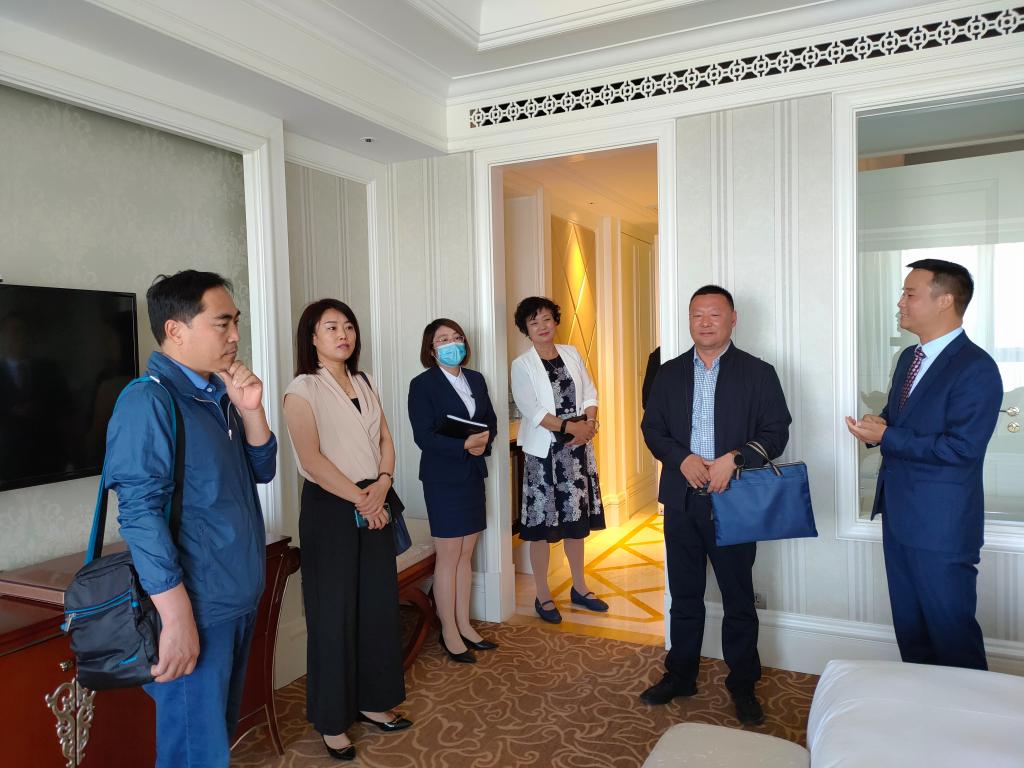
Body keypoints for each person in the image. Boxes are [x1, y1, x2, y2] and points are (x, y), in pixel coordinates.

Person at [105, 270, 278, 767]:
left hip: (234, 594)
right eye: (222, 323)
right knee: (193, 753)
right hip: (196, 604)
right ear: (175, 330)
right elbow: (139, 515)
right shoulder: (149, 400)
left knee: (214, 741)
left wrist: (251, 410)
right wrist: (177, 618)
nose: (235, 335)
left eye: (236, 322)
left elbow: (262, 471)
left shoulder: (215, 394)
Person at [640, 285, 790, 726]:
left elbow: (777, 431)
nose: (705, 322)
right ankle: (680, 675)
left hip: (734, 500)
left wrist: (735, 459)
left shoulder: (758, 373)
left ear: (732, 319)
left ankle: (742, 684)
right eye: (697, 315)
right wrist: (681, 459)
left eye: (714, 314)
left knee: (738, 598)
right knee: (684, 595)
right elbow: (652, 429)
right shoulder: (668, 372)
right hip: (682, 500)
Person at [847, 259, 1002, 671]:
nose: (900, 302)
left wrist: (888, 437)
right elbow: (903, 420)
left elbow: (962, 449)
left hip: (942, 527)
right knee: (912, 633)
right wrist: (879, 424)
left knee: (952, 638)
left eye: (909, 294)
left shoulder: (976, 368)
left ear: (945, 300)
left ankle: (966, 713)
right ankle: (923, 709)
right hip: (899, 516)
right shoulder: (908, 358)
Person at [283, 299, 411, 762]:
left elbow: (386, 440)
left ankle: (374, 702)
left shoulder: (365, 381)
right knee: (333, 614)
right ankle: (332, 721)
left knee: (377, 605)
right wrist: (362, 499)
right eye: (332, 327)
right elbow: (311, 459)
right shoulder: (302, 389)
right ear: (312, 337)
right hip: (332, 508)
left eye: (349, 327)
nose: (343, 335)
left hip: (375, 497)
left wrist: (383, 484)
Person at [510, 296, 607, 624]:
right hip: (544, 455)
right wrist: (571, 428)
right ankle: (542, 594)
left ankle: (580, 587)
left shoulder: (572, 353)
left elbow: (590, 391)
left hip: (576, 452)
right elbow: (533, 411)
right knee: (541, 527)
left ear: (556, 321)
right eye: (534, 321)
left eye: (547, 319)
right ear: (526, 328)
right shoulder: (522, 365)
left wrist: (589, 423)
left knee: (576, 524)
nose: (542, 326)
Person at [408, 318, 499, 663]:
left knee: (466, 553)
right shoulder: (423, 384)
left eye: (457, 337)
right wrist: (463, 445)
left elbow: (489, 421)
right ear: (431, 350)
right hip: (442, 478)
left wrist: (482, 443)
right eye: (443, 339)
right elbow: (423, 436)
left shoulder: (475, 379)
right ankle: (448, 630)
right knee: (448, 556)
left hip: (472, 473)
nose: (452, 343)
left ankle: (464, 624)